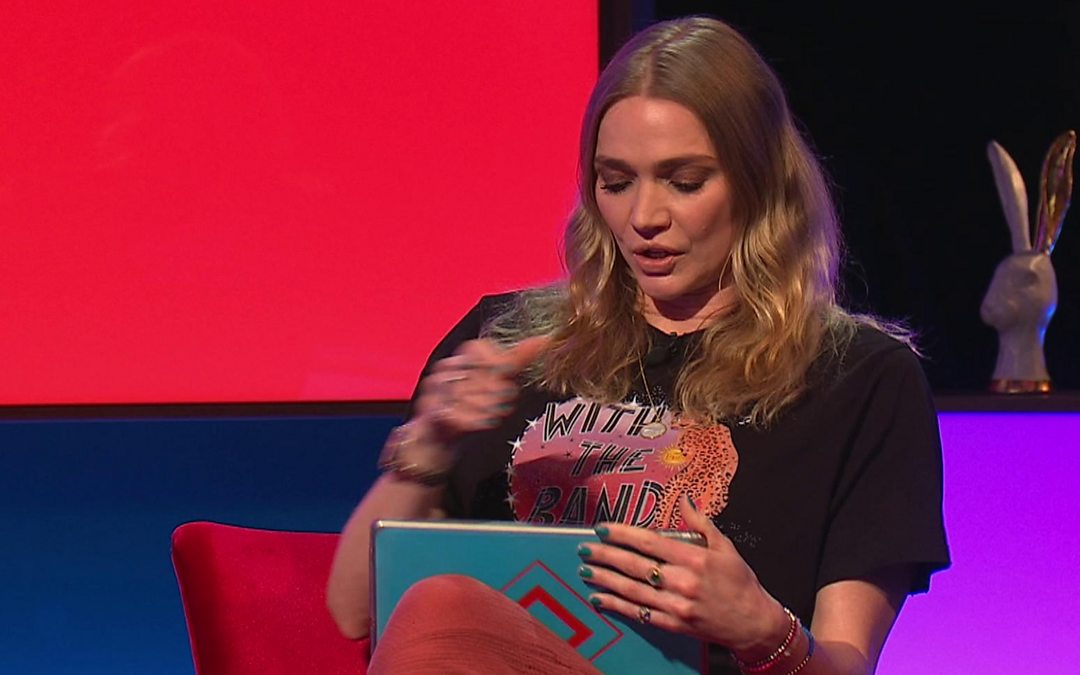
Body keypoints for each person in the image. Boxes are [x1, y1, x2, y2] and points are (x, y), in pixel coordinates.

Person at [327, 16, 949, 675]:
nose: (644, 217)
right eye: (617, 182)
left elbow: (846, 663)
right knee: (443, 608)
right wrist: (426, 450)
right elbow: (354, 614)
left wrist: (761, 628)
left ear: (759, 183)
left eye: (685, 181)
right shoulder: (505, 341)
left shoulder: (859, 378)